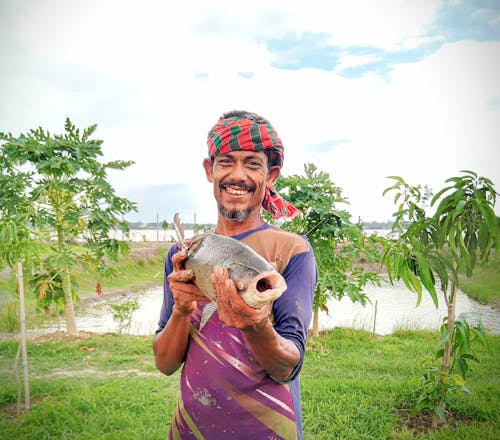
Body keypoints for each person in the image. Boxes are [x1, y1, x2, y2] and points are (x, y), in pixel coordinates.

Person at [153, 110, 317, 440]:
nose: (237, 175)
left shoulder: (292, 251)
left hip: (267, 430)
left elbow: (287, 366)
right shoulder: (183, 254)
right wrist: (183, 311)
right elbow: (165, 363)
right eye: (226, 161)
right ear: (209, 169)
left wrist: (254, 323)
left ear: (271, 175)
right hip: (192, 429)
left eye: (252, 164)